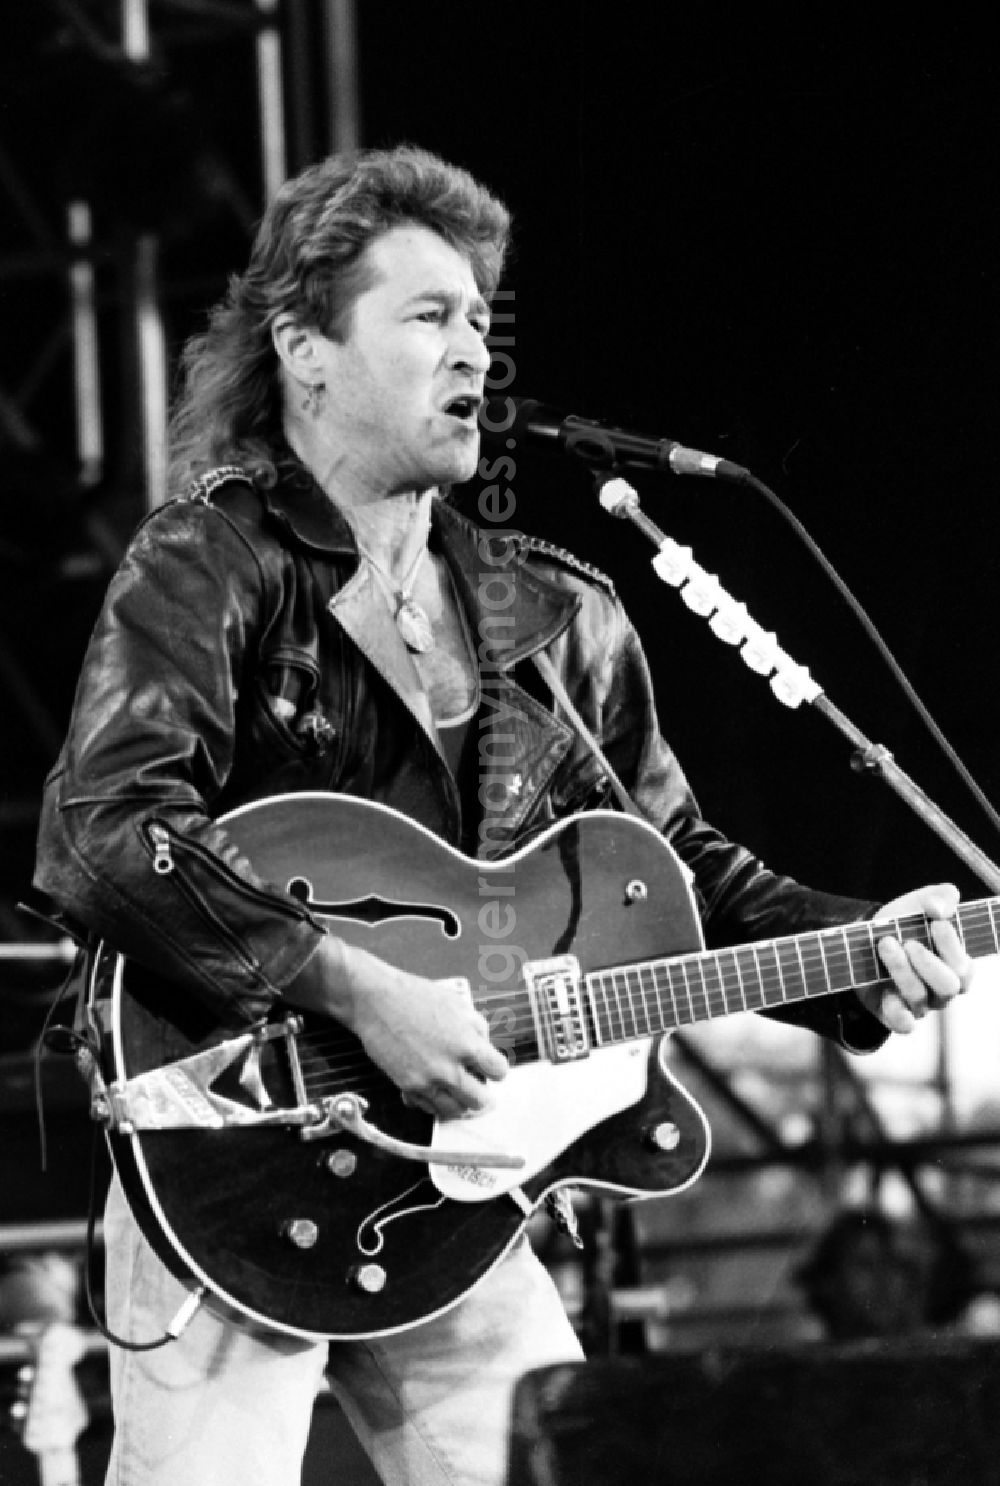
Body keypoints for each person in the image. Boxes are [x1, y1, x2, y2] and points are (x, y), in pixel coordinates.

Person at [31, 144, 975, 1486]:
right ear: (304, 350)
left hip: (458, 1193)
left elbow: (680, 874)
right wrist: (362, 994)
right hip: (235, 1158)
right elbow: (107, 831)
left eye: (480, 315)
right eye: (427, 316)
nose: (474, 344)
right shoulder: (208, 563)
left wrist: (862, 946)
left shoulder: (557, 613)